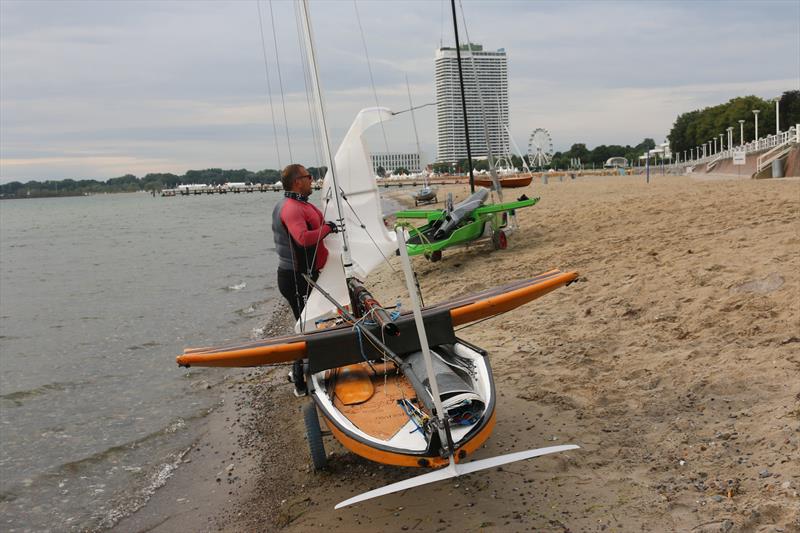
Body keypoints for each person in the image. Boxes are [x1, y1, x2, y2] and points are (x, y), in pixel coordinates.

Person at [272, 163, 337, 395]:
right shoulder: (290, 208)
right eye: (309, 177)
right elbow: (303, 239)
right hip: (296, 278)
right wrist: (328, 229)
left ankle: (299, 371)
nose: (312, 180)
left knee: (310, 325)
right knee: (305, 329)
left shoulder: (298, 204)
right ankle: (299, 382)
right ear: (297, 181)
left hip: (305, 276)